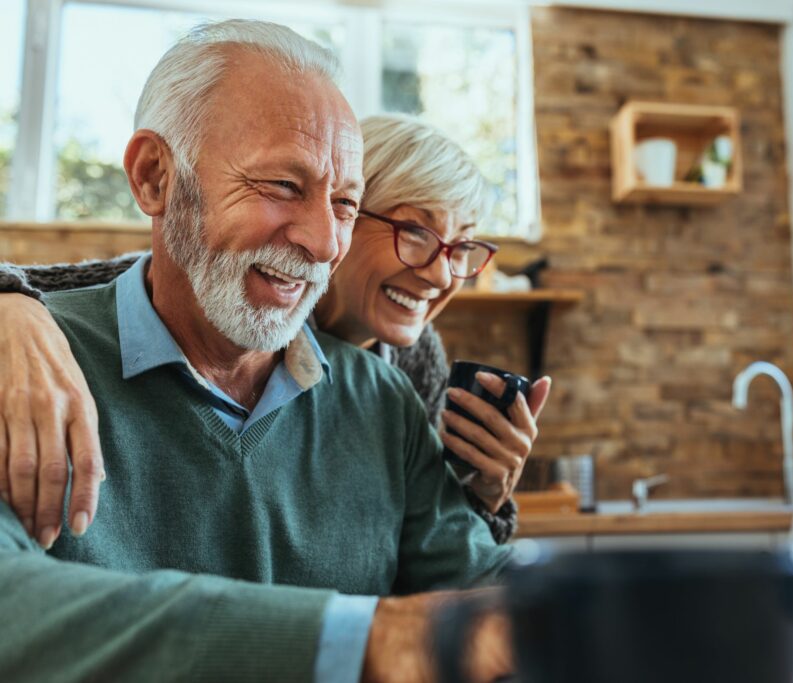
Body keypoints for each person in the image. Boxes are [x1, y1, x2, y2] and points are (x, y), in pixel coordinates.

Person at [0, 19, 514, 682]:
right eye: (283, 186)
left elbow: (487, 586)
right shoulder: (24, 367)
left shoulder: (386, 396)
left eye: (346, 203)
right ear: (154, 178)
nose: (324, 242)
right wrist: (364, 640)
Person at [0, 113, 548, 548]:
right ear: (343, 214)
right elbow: (69, 292)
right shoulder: (216, 294)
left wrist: (485, 495)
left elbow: (425, 549)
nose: (441, 274)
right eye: (415, 232)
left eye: (461, 246)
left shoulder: (412, 361)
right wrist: (12, 308)